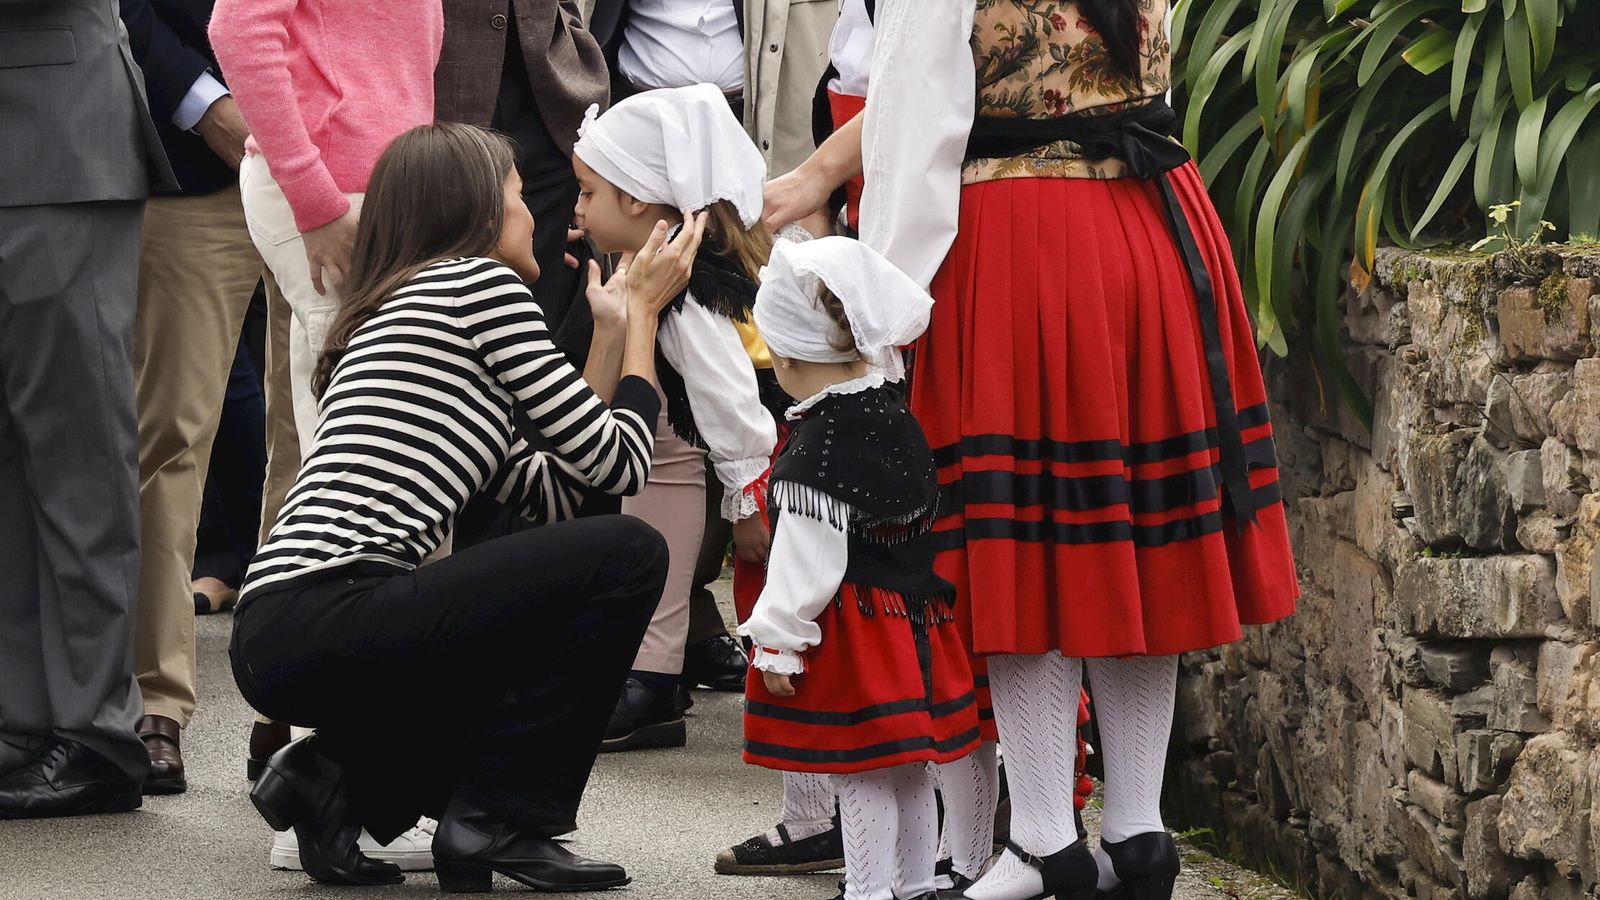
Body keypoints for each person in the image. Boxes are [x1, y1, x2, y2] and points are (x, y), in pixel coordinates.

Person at [830, 3, 1296, 898]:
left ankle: (1046, 838)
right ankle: (1137, 829)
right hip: (1154, 227)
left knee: (1028, 542)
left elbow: (911, 123)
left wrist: (880, 312)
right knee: (1132, 538)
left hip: (1022, 238)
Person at [235, 122, 707, 889]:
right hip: (336, 611)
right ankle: (498, 820)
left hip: (278, 631)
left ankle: (333, 780)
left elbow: (562, 495)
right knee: (634, 554)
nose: (538, 215)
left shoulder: (400, 310)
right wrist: (648, 321)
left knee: (562, 578)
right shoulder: (478, 287)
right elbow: (620, 460)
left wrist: (610, 331)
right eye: (522, 196)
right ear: (482, 215)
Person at [740, 235, 980, 900]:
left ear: (785, 353)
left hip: (856, 630)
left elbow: (804, 561)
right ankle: (911, 885)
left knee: (861, 772)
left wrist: (779, 641)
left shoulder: (816, 448)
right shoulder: (895, 415)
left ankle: (870, 890)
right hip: (912, 620)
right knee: (907, 771)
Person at [0, 0, 174, 819]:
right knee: (11, 463)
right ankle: (27, 719)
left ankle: (99, 731)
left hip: (57, 137)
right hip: (37, 141)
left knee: (78, 452)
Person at [571, 84, 782, 752]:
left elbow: (729, 399)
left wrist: (748, 504)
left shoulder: (688, 293)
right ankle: (652, 669)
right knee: (657, 448)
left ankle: (664, 677)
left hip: (773, 461)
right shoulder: (661, 265)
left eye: (587, 194)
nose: (575, 210)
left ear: (636, 199)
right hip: (732, 449)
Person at [117, 0, 267, 797]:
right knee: (170, 438)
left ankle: (300, 707)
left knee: (321, 436)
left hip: (344, 155)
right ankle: (155, 701)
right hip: (196, 166)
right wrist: (207, 105)